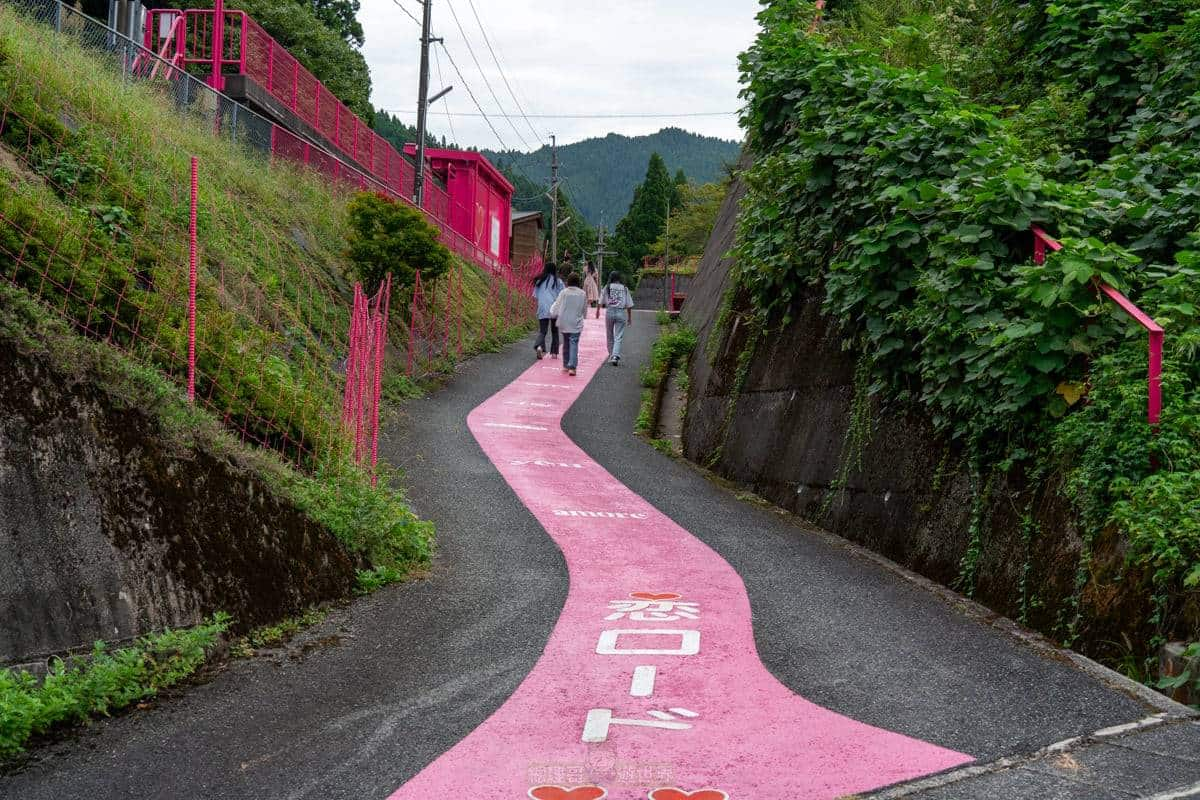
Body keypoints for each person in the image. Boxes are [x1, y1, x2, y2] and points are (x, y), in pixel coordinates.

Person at [549, 272, 588, 377]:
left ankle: (565, 365)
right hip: (576, 322)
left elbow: (557, 305)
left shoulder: (564, 292)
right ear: (578, 282)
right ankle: (572, 367)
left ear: (568, 282)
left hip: (564, 321)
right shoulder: (582, 293)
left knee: (566, 343)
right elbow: (584, 309)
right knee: (574, 343)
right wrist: (584, 315)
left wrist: (553, 314)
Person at [600, 271, 634, 366]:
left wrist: (598, 310)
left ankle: (611, 355)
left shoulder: (607, 287)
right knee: (618, 335)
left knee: (609, 334)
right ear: (619, 278)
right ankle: (615, 356)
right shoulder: (624, 288)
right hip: (620, 312)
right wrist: (630, 318)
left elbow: (601, 301)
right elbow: (629, 305)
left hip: (610, 311)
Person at [532, 261, 564, 359]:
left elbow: (535, 296)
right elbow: (562, 295)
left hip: (542, 307)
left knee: (543, 331)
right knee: (554, 331)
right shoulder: (558, 281)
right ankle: (554, 353)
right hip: (554, 307)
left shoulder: (539, 281)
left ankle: (539, 347)